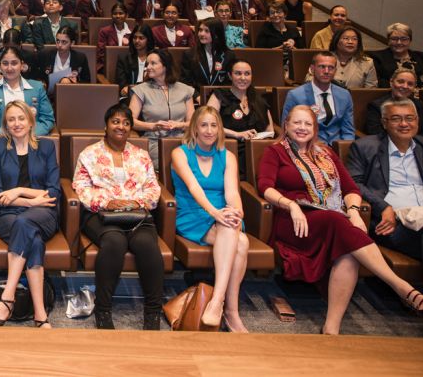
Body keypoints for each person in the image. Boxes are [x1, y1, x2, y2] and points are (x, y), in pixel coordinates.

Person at [258, 105, 423, 334]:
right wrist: (291, 205)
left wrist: (354, 211)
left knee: (348, 252)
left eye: (308, 124)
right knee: (337, 222)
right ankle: (403, 288)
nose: (302, 128)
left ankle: (331, 327)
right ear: (286, 125)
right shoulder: (275, 151)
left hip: (331, 221)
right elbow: (265, 186)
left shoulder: (326, 153)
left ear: (315, 128)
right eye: (297, 123)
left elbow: (351, 188)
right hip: (294, 221)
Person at [73, 105, 163, 330]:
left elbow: (153, 187)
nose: (120, 126)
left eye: (126, 123)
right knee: (114, 242)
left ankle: (153, 312)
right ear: (106, 125)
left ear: (131, 128)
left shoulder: (141, 155)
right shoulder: (89, 154)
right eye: (115, 121)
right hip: (101, 215)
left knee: (147, 244)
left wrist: (137, 203)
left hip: (137, 214)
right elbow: (81, 187)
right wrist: (108, 202)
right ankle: (103, 310)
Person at [347, 98, 423, 301]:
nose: (404, 124)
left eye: (410, 118)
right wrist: (383, 207)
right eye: (396, 119)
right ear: (384, 122)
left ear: (417, 121)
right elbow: (354, 183)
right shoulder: (365, 147)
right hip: (393, 223)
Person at [170, 107, 249, 331]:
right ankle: (228, 310)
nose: (209, 130)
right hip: (193, 213)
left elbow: (232, 192)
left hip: (223, 213)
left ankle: (219, 303)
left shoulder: (227, 156)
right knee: (240, 242)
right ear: (194, 128)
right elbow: (194, 187)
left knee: (237, 236)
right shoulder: (180, 153)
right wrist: (216, 213)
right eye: (204, 125)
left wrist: (237, 212)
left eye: (214, 125)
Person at [0, 101, 60, 328]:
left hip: (43, 212)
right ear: (5, 124)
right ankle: (40, 314)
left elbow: (53, 192)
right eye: (11, 119)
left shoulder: (46, 147)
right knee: (32, 239)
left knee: (24, 223)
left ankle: (7, 297)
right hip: (6, 214)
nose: (16, 123)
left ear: (30, 121)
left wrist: (19, 190)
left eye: (21, 118)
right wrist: (32, 201)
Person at [207, 59, 273, 178]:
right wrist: (237, 134)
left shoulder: (258, 99)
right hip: (228, 149)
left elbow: (270, 130)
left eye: (247, 74)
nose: (243, 78)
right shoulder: (219, 96)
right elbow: (207, 124)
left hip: (255, 152)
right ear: (230, 75)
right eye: (238, 73)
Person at [0, 46, 54, 136]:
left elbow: (48, 119)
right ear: (0, 66)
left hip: (30, 140)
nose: (9, 68)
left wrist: (27, 134)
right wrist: (5, 133)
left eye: (14, 63)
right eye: (5, 63)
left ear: (22, 65)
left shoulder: (37, 87)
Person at [129, 49, 195, 158]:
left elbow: (193, 122)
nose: (148, 67)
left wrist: (180, 125)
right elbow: (130, 121)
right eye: (147, 64)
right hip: (154, 141)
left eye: (153, 63)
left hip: (182, 141)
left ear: (165, 66)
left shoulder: (185, 90)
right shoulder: (140, 90)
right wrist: (152, 126)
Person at [364, 69, 423, 140]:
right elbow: (375, 133)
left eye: (410, 84)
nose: (405, 86)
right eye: (401, 82)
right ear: (391, 82)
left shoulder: (418, 104)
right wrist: (403, 140)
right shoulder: (376, 106)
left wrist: (410, 142)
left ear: (414, 87)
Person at [369, 22, 423, 90]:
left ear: (410, 41)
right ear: (388, 41)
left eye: (404, 39)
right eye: (394, 39)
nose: (399, 42)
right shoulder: (377, 59)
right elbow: (379, 85)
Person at [181, 18, 235, 90]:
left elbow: (230, 81)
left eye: (207, 31)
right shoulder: (189, 54)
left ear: (216, 34)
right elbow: (185, 81)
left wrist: (218, 96)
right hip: (196, 95)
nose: (201, 34)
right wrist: (197, 95)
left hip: (221, 96)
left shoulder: (229, 55)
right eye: (200, 30)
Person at [38, 25, 90, 95]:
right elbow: (37, 77)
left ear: (72, 43)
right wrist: (43, 83)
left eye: (64, 42)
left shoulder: (80, 58)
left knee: (65, 81)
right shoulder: (45, 55)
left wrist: (77, 84)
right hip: (48, 95)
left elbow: (87, 82)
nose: (59, 45)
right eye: (58, 41)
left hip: (71, 95)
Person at [116, 24, 155, 98]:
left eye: (141, 38)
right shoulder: (124, 59)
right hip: (130, 96)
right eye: (135, 37)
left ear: (148, 39)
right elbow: (121, 84)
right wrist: (124, 89)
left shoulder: (155, 58)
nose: (137, 41)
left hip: (151, 95)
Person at [95, 1, 132, 77]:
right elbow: (101, 53)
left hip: (128, 66)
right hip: (107, 65)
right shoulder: (104, 31)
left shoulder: (132, 33)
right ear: (112, 15)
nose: (118, 16)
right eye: (115, 13)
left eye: (121, 13)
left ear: (126, 15)